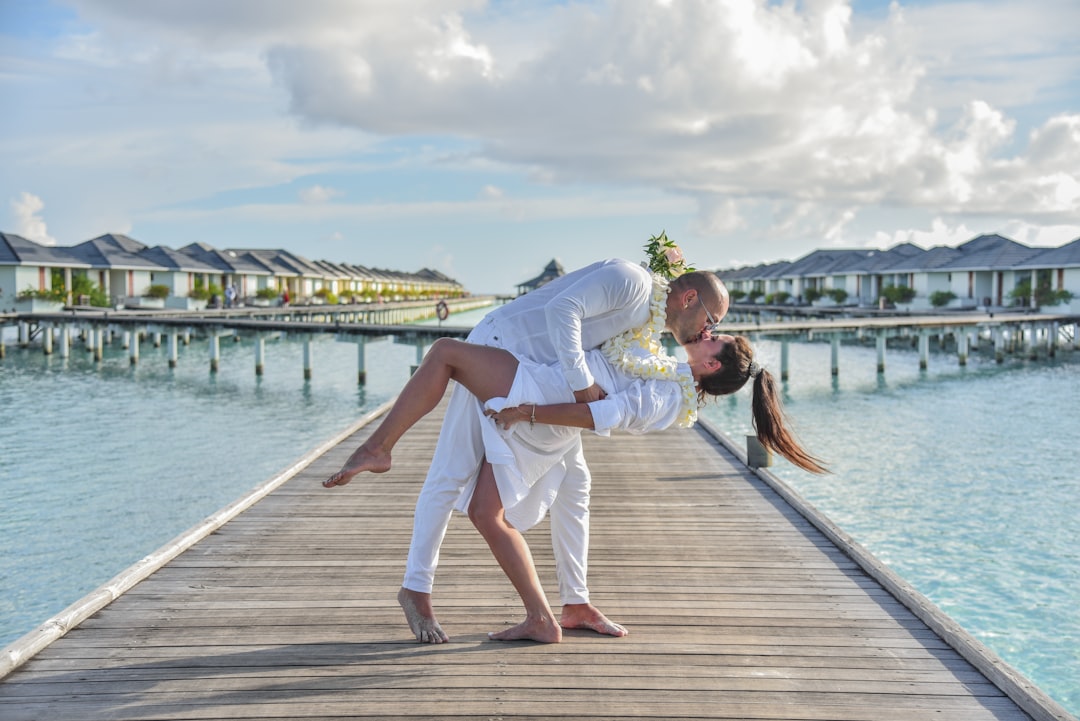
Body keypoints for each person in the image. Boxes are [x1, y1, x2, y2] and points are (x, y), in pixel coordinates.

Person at [327, 254, 729, 643]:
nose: (707, 332)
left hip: (539, 376)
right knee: (451, 471)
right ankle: (416, 585)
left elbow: (622, 387)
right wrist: (579, 385)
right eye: (712, 321)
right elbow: (562, 309)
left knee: (576, 486)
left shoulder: (652, 323)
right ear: (689, 298)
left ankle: (574, 603)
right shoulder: (631, 280)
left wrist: (570, 397)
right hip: (505, 347)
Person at [323, 332, 823, 642]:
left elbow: (601, 413)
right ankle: (563, 607)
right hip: (550, 404)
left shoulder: (669, 397)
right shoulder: (673, 374)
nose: (708, 332)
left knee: (447, 354)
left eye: (715, 338)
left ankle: (380, 448)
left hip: (544, 402)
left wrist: (527, 412)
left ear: (711, 366)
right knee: (551, 494)